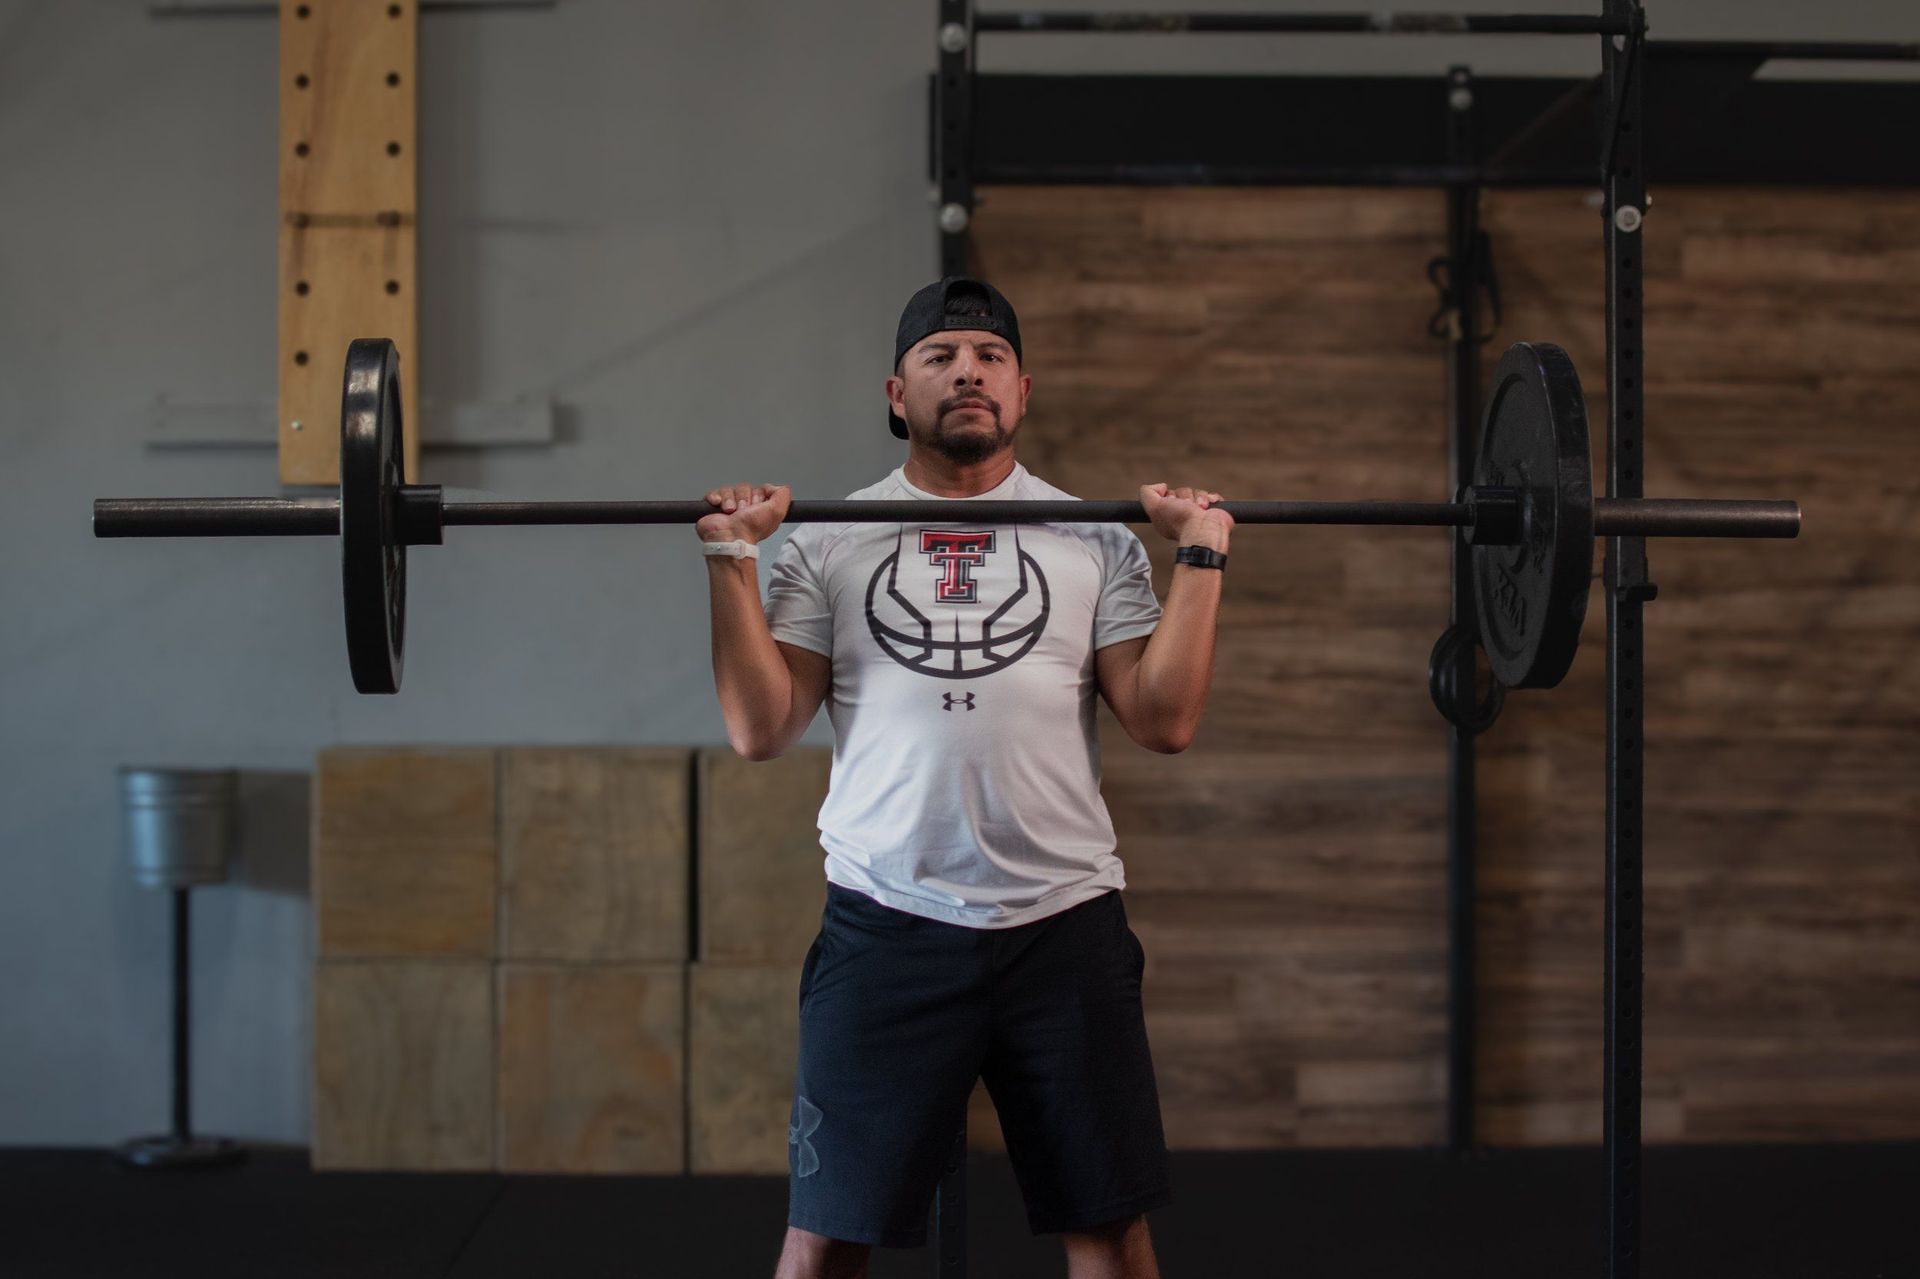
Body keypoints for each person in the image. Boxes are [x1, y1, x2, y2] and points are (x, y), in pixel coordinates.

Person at [698, 277, 1230, 1279]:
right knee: (823, 1240)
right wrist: (731, 561)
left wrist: (1200, 558)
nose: (967, 372)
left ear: (1023, 390)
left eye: (988, 358)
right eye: (941, 358)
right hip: (886, 926)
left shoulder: (1096, 538)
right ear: (897, 393)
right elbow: (761, 729)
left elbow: (1164, 720)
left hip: (1063, 930)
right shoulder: (826, 537)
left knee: (1112, 1236)